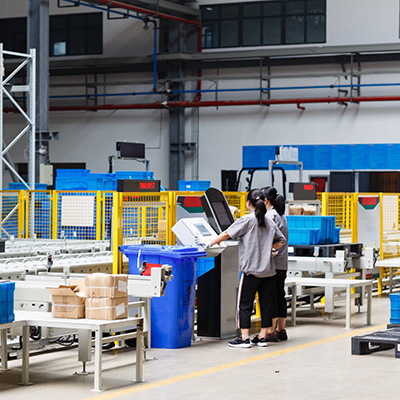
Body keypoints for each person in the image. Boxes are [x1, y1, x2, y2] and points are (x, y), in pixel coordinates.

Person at [196, 189, 286, 348]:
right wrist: (270, 250)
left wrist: (209, 242)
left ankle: (244, 338)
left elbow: (226, 234)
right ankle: (263, 336)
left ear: (248, 203)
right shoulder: (269, 221)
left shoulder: (247, 220)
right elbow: (282, 240)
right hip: (269, 271)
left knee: (244, 303)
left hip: (251, 270)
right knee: (266, 303)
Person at [261, 186, 289, 342]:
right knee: (280, 296)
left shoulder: (270, 216)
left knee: (270, 297)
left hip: (272, 263)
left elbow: (267, 239)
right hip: (282, 263)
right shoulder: (282, 216)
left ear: (265, 200)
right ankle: (281, 329)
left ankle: (270, 331)